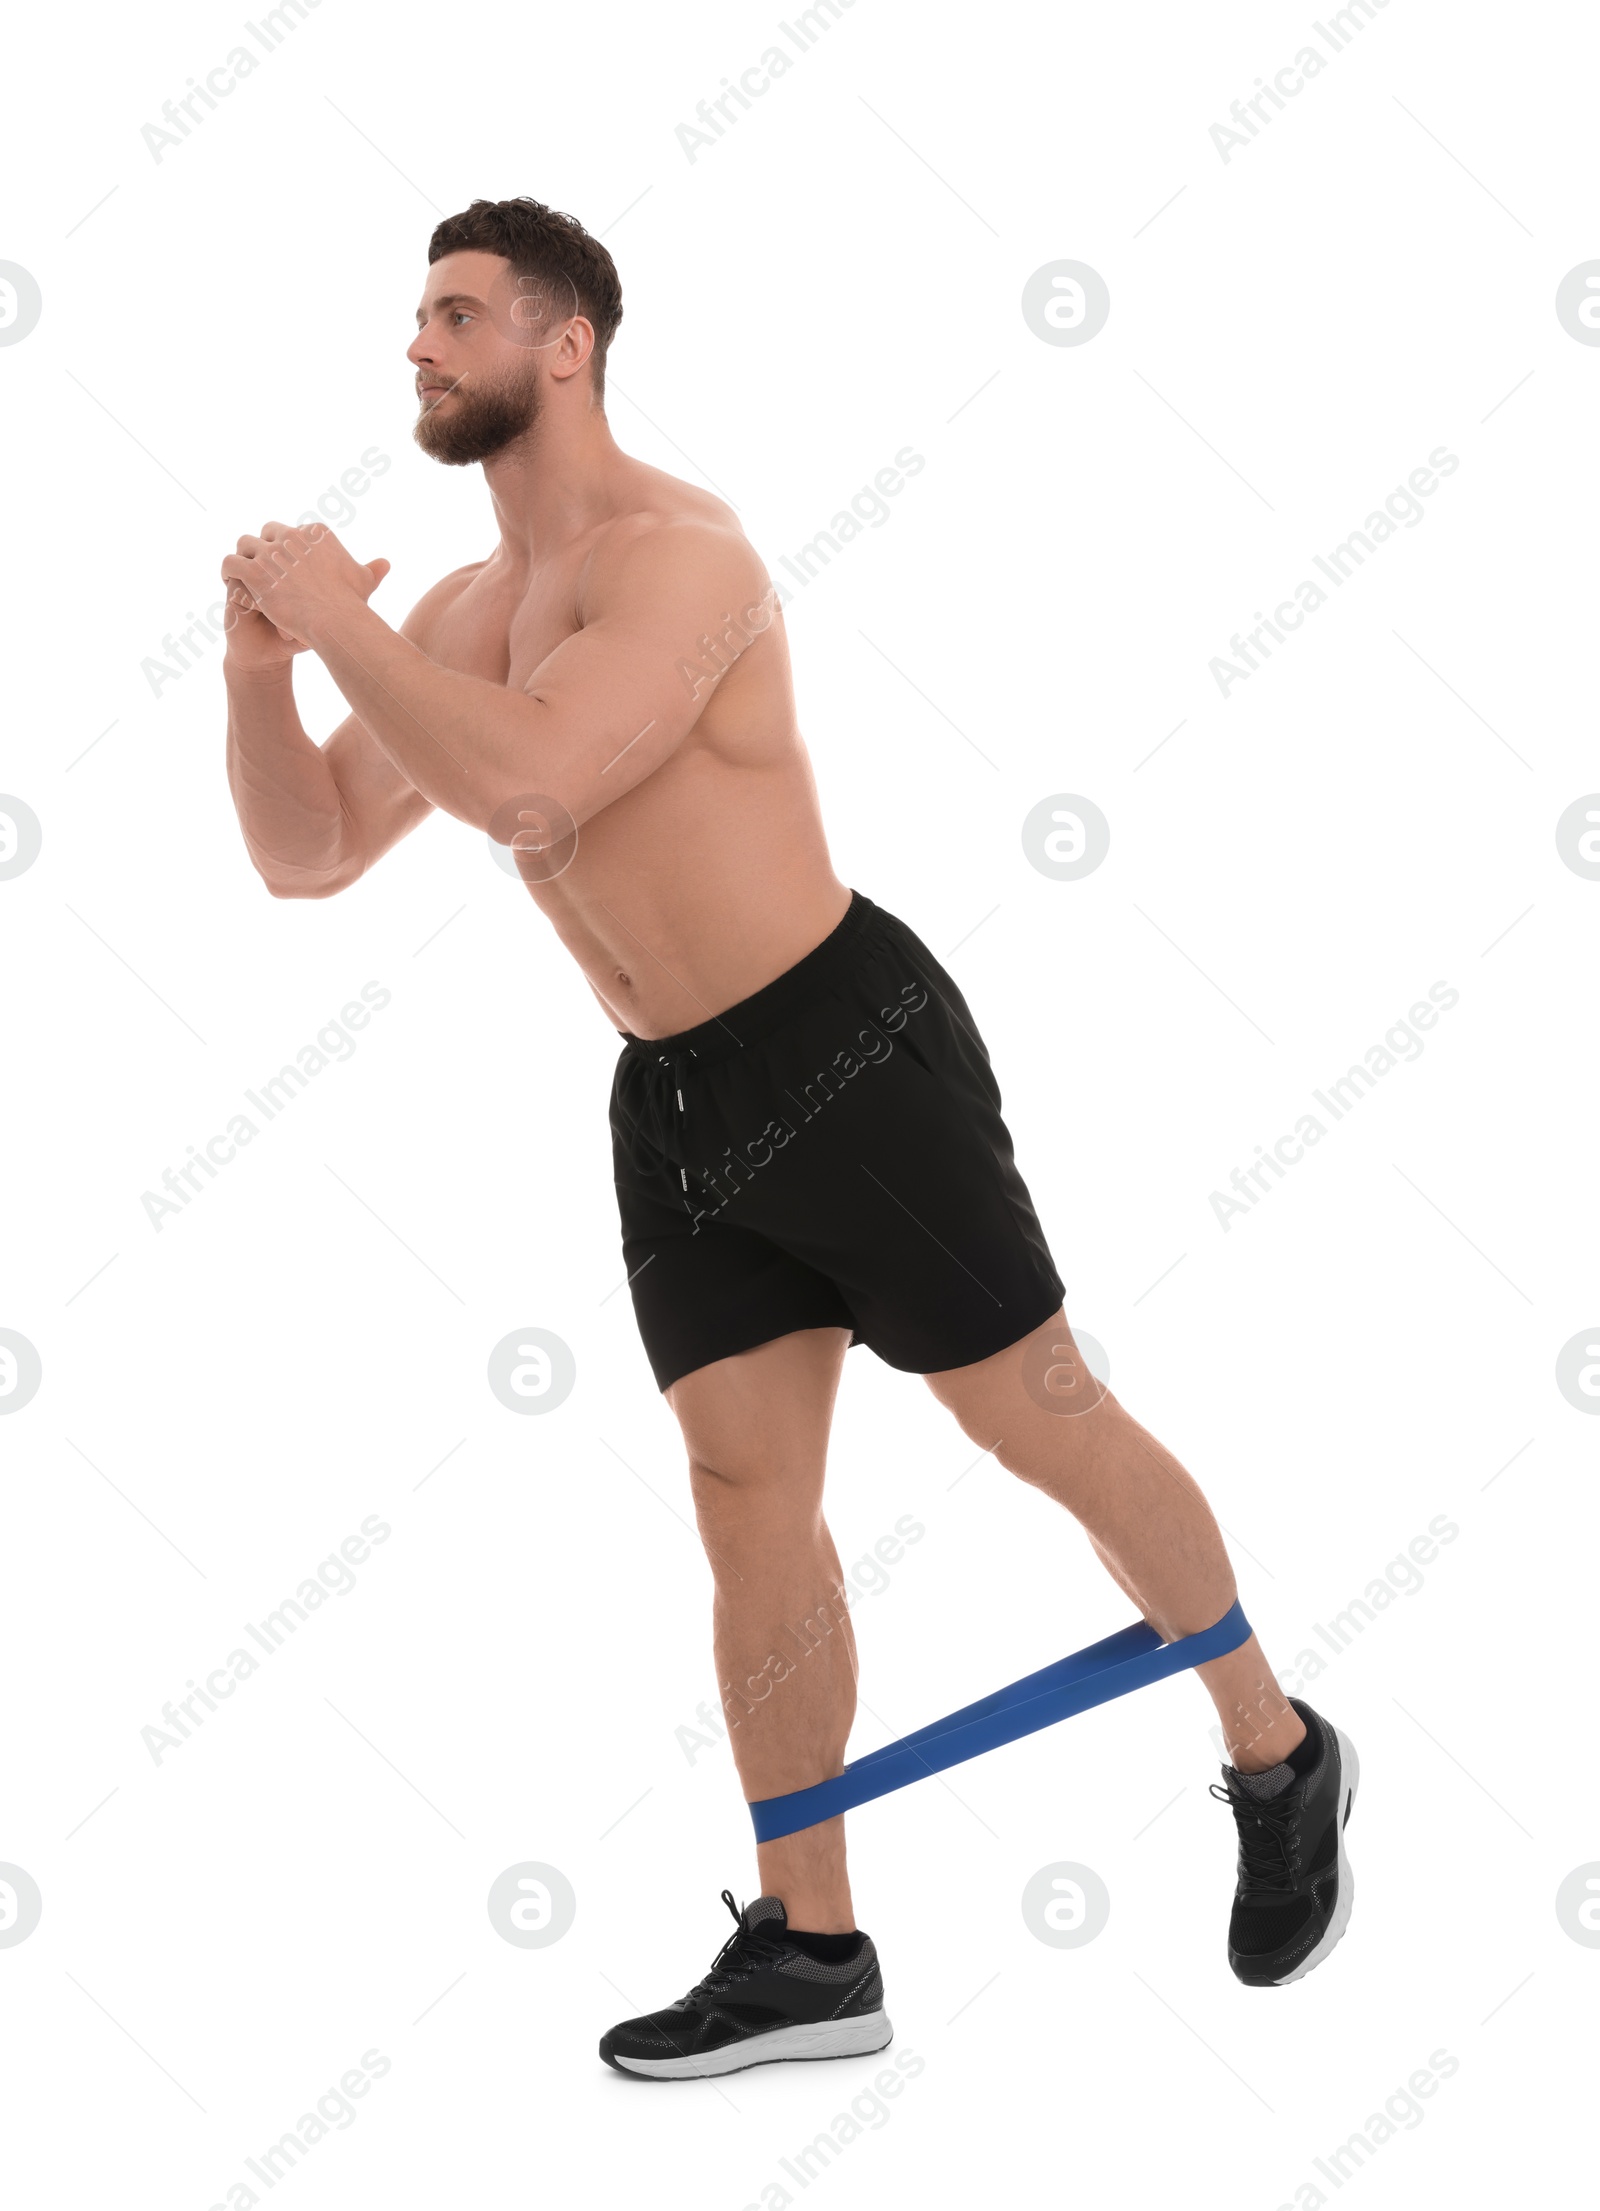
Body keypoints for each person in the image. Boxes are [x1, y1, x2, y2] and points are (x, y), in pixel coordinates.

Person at [221, 196, 1358, 2082]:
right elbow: (310, 853)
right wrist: (271, 666)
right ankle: (815, 1952)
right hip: (672, 1098)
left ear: (563, 342)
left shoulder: (684, 559)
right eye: (413, 318)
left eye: (455, 314)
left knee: (1034, 1419)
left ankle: (1276, 1744)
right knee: (748, 1504)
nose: (416, 347)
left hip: (842, 1047)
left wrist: (337, 619)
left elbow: (524, 786)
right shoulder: (459, 612)